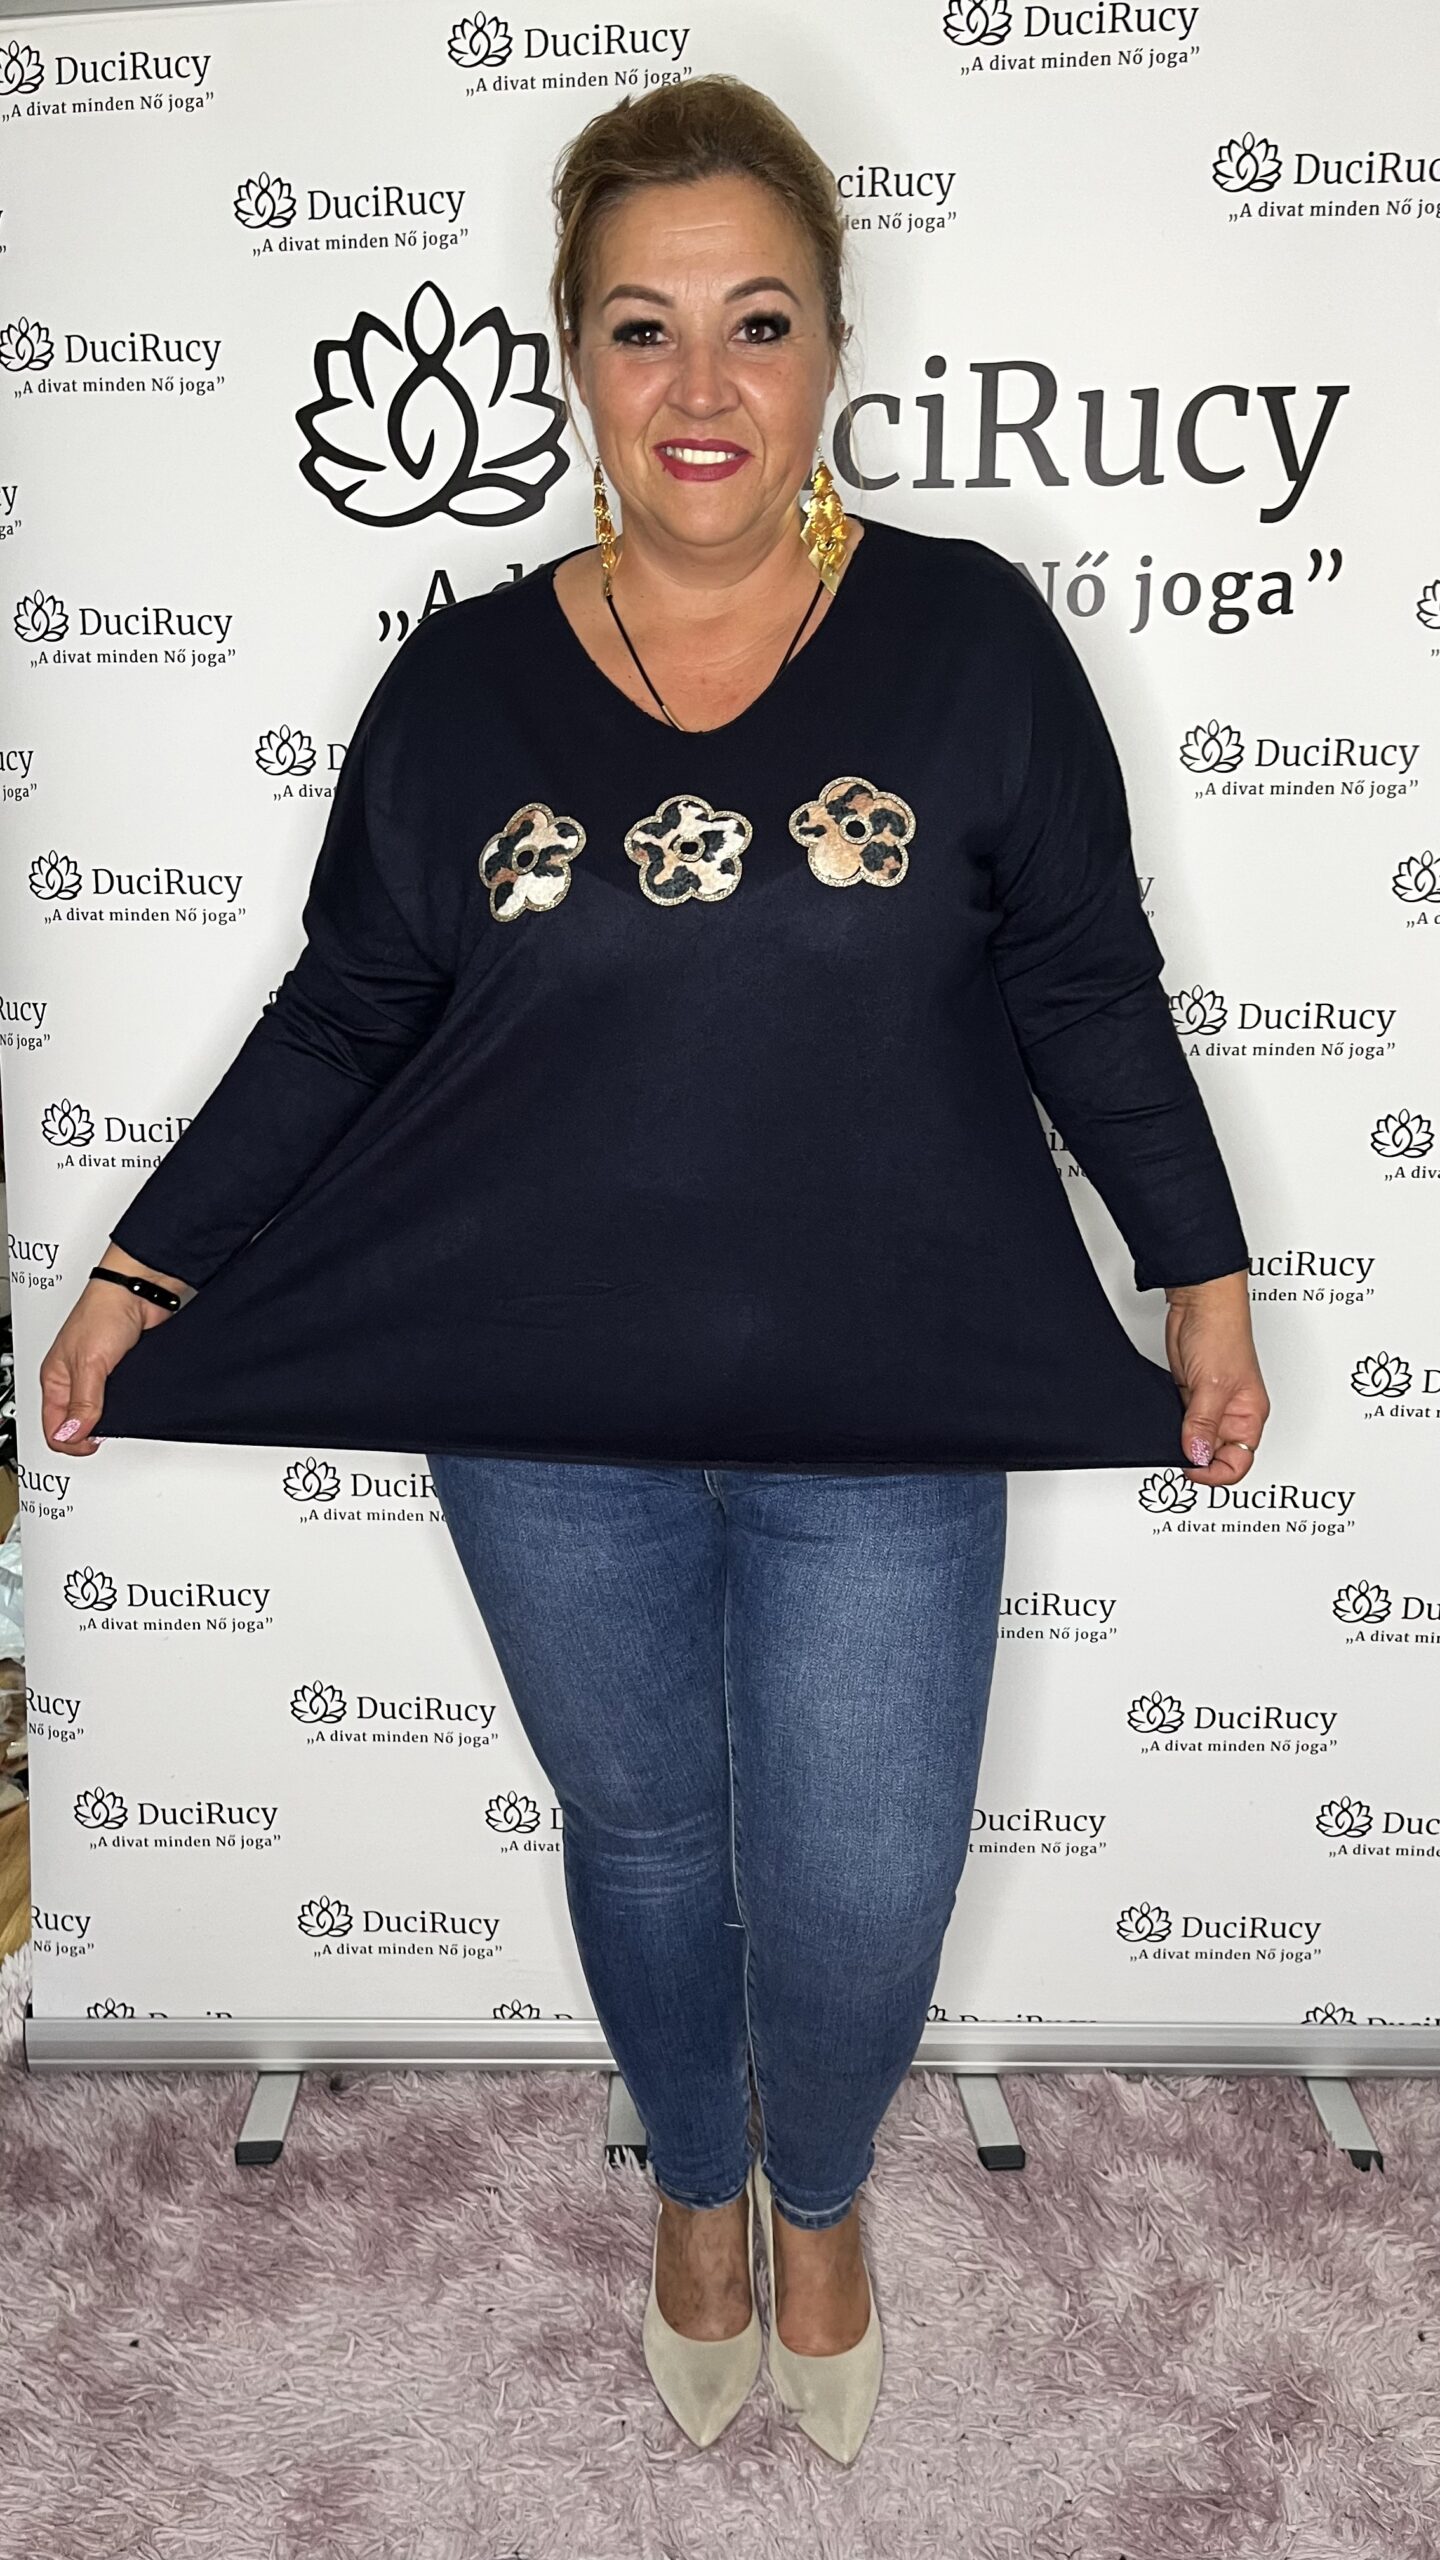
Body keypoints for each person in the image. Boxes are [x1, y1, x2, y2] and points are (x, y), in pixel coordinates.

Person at [38, 75, 1269, 2463]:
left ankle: (823, 2189)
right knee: (643, 1837)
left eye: (756, 322)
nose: (701, 385)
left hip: (887, 1415)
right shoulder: (456, 689)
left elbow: (1087, 987)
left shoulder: (972, 641)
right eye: (642, 326)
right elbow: (347, 1012)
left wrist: (1199, 1270)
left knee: (865, 1878)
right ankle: (699, 2187)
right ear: (575, 358)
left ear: (833, 350)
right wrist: (146, 1266)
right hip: (541, 1415)